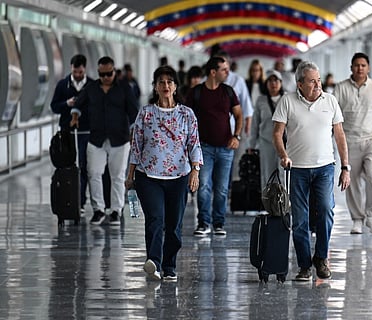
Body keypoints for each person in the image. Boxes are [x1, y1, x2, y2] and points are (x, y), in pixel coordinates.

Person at [272, 61, 350, 281]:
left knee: (326, 210)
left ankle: (322, 258)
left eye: (318, 80)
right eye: (312, 81)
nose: (318, 84)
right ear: (299, 84)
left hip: (325, 167)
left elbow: (340, 135)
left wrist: (345, 166)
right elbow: (277, 133)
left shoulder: (330, 101)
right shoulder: (287, 101)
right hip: (297, 168)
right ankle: (305, 265)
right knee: (300, 220)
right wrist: (283, 155)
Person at [126, 66, 203, 281]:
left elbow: (194, 144)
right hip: (148, 176)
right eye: (161, 82)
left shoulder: (186, 114)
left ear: (176, 87)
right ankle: (154, 262)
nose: (166, 86)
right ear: (155, 87)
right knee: (155, 219)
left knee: (174, 226)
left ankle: (169, 265)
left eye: (170, 82)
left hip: (178, 177)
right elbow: (136, 145)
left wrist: (195, 171)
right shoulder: (146, 113)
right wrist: (130, 175)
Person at [71, 56, 138, 225]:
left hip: (120, 139)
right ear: (98, 73)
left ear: (114, 71)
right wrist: (75, 115)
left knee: (117, 175)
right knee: (94, 173)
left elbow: (133, 111)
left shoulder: (124, 88)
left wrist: (134, 131)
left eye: (109, 74)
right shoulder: (92, 87)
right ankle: (98, 209)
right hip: (96, 138)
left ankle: (116, 210)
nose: (106, 78)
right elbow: (79, 103)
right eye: (102, 74)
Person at [333, 52, 372, 235]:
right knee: (353, 182)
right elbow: (332, 113)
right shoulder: (341, 88)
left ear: (368, 68)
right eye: (356, 65)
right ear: (351, 67)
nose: (360, 68)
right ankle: (358, 219)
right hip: (349, 140)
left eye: (363, 65)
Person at [185, 56, 243, 237]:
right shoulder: (197, 92)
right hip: (203, 148)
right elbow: (186, 117)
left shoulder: (228, 91)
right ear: (213, 72)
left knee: (222, 188)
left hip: (226, 147)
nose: (227, 72)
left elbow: (239, 114)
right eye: (224, 69)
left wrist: (237, 135)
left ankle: (219, 223)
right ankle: (203, 222)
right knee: (203, 186)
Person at [50, 54, 95, 213]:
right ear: (71, 69)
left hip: (86, 132)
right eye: (75, 72)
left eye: (80, 72)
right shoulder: (63, 85)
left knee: (84, 166)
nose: (77, 75)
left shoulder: (91, 85)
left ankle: (80, 201)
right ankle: (68, 200)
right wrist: (66, 104)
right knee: (67, 166)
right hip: (67, 132)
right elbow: (54, 106)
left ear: (85, 69)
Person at [211, 49, 253, 182]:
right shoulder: (208, 81)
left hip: (231, 130)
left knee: (228, 163)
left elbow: (246, 105)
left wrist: (246, 129)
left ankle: (227, 189)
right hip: (210, 131)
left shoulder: (237, 80)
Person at [248, 69, 284, 191]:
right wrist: (251, 145)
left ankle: (284, 204)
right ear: (266, 84)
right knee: (268, 174)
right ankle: (270, 205)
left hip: (285, 143)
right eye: (270, 81)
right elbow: (255, 124)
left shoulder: (287, 99)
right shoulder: (261, 101)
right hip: (266, 142)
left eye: (276, 80)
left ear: (281, 82)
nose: (273, 84)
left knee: (284, 174)